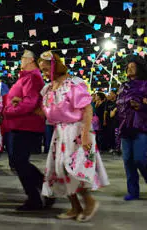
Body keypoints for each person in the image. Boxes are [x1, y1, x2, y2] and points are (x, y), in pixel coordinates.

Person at [38, 51, 108, 222]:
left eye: (46, 69)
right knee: (60, 170)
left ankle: (89, 202)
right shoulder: (48, 88)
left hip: (76, 131)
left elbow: (87, 109)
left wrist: (85, 135)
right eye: (43, 70)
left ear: (55, 66)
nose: (44, 73)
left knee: (75, 169)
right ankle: (75, 207)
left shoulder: (73, 84)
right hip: (60, 132)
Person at [2, 49, 50, 211]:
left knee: (19, 161)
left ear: (30, 60)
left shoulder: (32, 77)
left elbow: (29, 102)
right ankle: (45, 191)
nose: (20, 60)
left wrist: (9, 110)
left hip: (26, 125)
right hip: (22, 124)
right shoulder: (28, 77)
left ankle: (36, 196)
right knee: (19, 161)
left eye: (22, 58)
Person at [116, 56, 147, 201]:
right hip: (125, 126)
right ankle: (133, 191)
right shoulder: (123, 86)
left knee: (140, 158)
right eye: (128, 67)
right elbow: (119, 102)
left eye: (132, 67)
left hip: (141, 125)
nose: (129, 69)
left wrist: (142, 105)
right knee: (128, 160)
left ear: (139, 69)